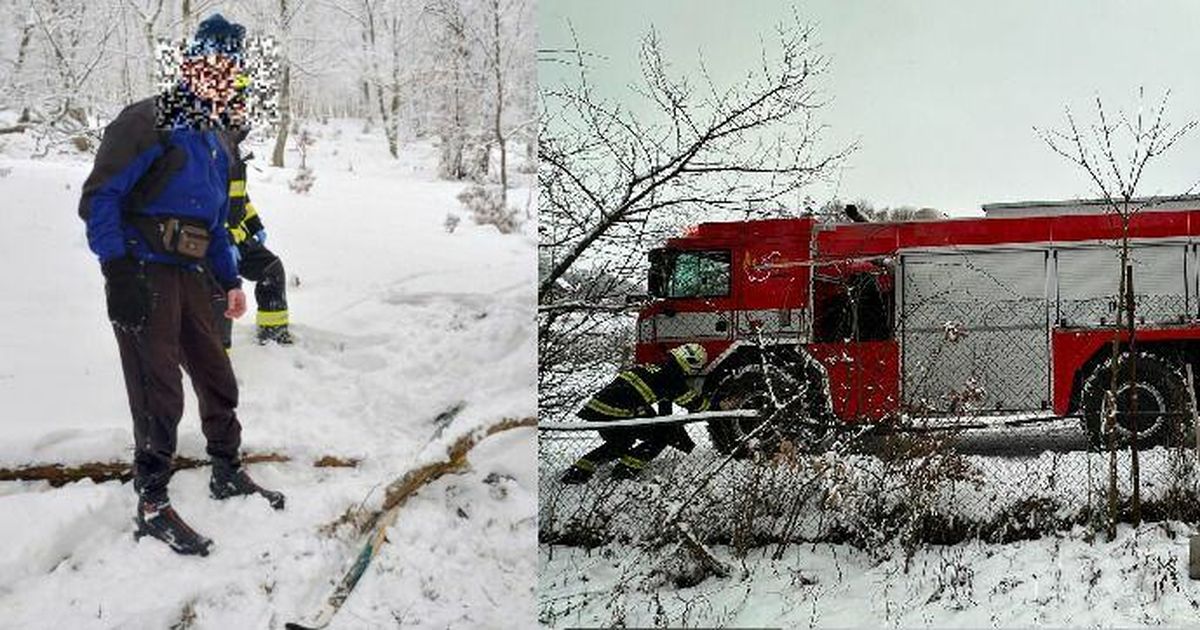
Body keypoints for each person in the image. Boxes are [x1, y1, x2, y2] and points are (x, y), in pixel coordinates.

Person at [78, 13, 284, 557]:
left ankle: (227, 471)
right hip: (142, 270)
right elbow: (100, 197)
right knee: (158, 389)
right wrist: (116, 269)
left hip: (195, 275)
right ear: (190, 65)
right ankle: (152, 504)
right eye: (210, 64)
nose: (220, 77)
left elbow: (216, 221)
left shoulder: (218, 137)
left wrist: (229, 278)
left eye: (230, 71)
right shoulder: (149, 120)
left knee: (218, 376)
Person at [560, 343, 712, 484]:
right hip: (618, 411)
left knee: (620, 444)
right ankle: (624, 473)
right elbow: (696, 405)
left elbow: (652, 403)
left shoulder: (654, 365)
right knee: (660, 437)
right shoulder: (673, 377)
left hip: (597, 408)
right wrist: (715, 404)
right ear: (692, 364)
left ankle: (576, 474)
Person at [213, 129, 294, 348]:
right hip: (212, 242)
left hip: (236, 238)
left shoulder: (233, 148)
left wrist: (255, 225)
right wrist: (225, 239)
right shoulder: (207, 148)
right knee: (221, 292)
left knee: (271, 268)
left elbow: (240, 197)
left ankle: (273, 335)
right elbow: (204, 203)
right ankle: (218, 357)